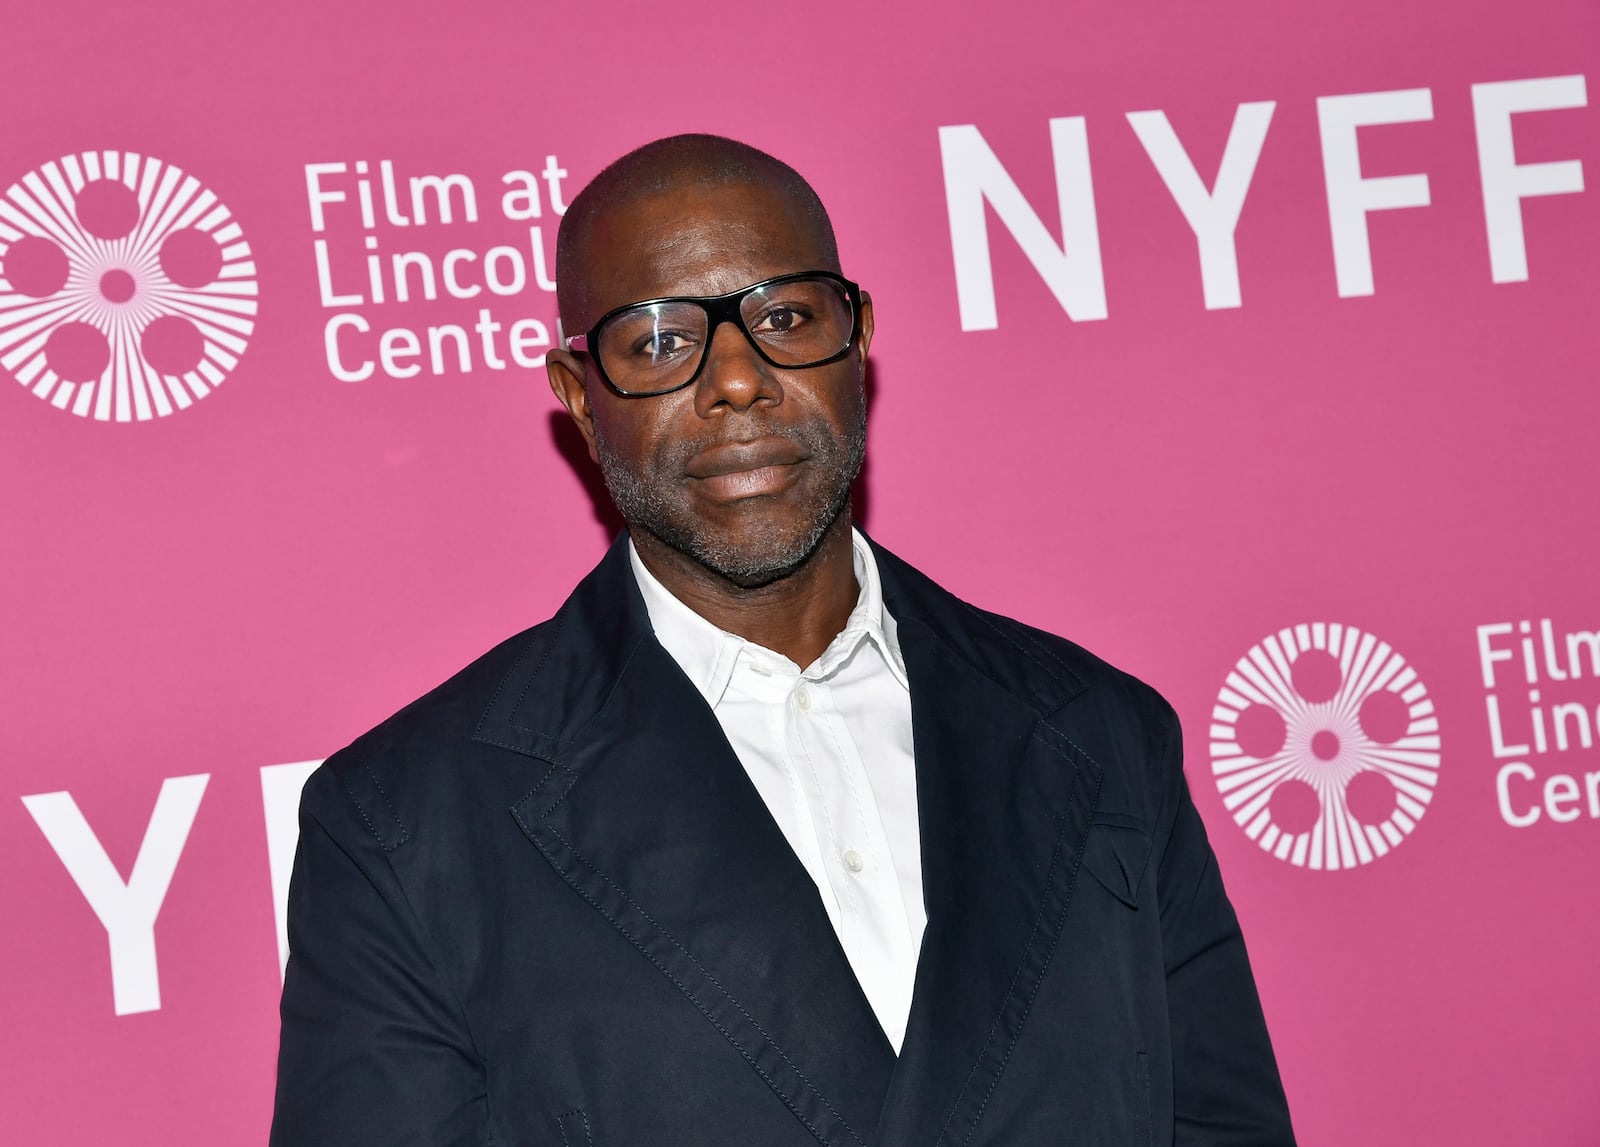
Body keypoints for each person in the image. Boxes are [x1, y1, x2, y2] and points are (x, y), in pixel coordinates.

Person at [270, 133, 1295, 1147]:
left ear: (856, 341)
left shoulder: (1102, 732)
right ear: (582, 399)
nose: (738, 380)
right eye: (662, 340)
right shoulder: (405, 825)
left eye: (786, 316)